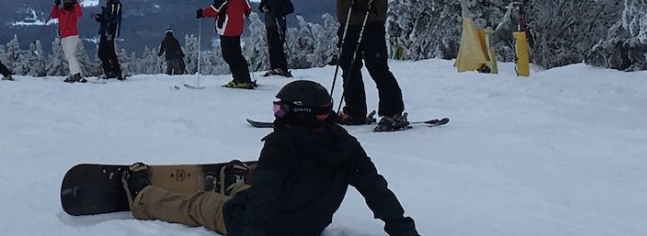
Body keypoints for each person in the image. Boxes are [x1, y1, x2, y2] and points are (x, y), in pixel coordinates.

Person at [120, 80, 421, 236]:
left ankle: (143, 196)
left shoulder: (281, 146)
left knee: (198, 205)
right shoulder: (346, 144)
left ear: (296, 112)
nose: (277, 115)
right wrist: (403, 230)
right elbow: (376, 190)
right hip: (308, 228)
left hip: (260, 228)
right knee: (250, 194)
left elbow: (264, 200)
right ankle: (235, 186)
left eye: (280, 109)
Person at [324, 0, 409, 132]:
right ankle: (354, 110)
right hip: (349, 18)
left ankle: (393, 111)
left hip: (371, 18)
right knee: (348, 65)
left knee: (376, 65)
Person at [196, 0, 254, 89]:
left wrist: (202, 13)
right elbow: (249, 9)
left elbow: (215, 9)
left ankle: (241, 80)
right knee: (237, 54)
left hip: (226, 27)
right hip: (238, 27)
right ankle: (244, 78)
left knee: (229, 55)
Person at [258, 0, 295, 77]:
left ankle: (282, 68)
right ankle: (274, 67)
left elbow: (290, 8)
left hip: (279, 23)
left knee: (278, 46)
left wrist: (280, 13)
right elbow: (260, 7)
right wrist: (263, 8)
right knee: (271, 46)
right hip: (270, 24)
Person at [50, 0, 84, 82]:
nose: (66, 2)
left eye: (68, 0)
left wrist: (75, 4)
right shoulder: (62, 11)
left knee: (69, 55)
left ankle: (76, 74)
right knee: (69, 55)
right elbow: (53, 15)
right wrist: (55, 6)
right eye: (65, 0)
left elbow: (79, 14)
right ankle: (78, 73)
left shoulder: (73, 10)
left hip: (72, 34)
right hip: (64, 35)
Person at [94, 0, 124, 80]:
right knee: (107, 52)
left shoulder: (115, 4)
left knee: (105, 52)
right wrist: (101, 17)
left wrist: (102, 18)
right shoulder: (110, 4)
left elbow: (114, 18)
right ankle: (113, 71)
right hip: (106, 30)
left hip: (110, 30)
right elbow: (109, 16)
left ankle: (113, 71)